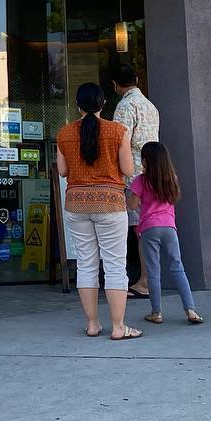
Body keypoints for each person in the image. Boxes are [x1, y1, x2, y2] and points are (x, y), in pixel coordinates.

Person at [56, 81, 140, 340]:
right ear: (103, 104)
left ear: (77, 105)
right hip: (110, 204)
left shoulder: (64, 133)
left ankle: (92, 324)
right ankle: (118, 327)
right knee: (114, 265)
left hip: (76, 204)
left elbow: (62, 171)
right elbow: (128, 170)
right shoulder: (118, 131)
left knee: (86, 264)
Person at [129, 142, 202, 325]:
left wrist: (133, 198)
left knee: (153, 271)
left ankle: (156, 312)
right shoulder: (172, 179)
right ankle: (191, 310)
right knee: (177, 267)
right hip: (169, 227)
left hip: (149, 228)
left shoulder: (140, 181)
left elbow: (132, 205)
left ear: (145, 161)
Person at [112, 64, 159, 297]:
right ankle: (149, 279)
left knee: (139, 229)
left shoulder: (125, 106)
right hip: (152, 172)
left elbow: (119, 143)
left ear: (115, 85)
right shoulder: (150, 106)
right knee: (148, 226)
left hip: (133, 177)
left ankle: (145, 282)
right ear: (137, 80)